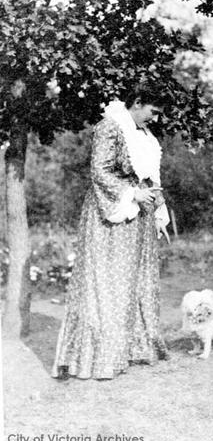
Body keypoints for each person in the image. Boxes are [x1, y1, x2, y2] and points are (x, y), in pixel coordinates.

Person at [51, 85, 171, 380]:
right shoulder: (111, 126)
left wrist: (158, 205)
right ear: (138, 102)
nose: (155, 119)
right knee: (108, 284)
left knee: (134, 282)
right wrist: (132, 194)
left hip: (139, 215)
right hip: (113, 215)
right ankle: (100, 358)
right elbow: (100, 171)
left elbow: (149, 176)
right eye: (153, 111)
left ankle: (132, 349)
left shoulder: (144, 135)